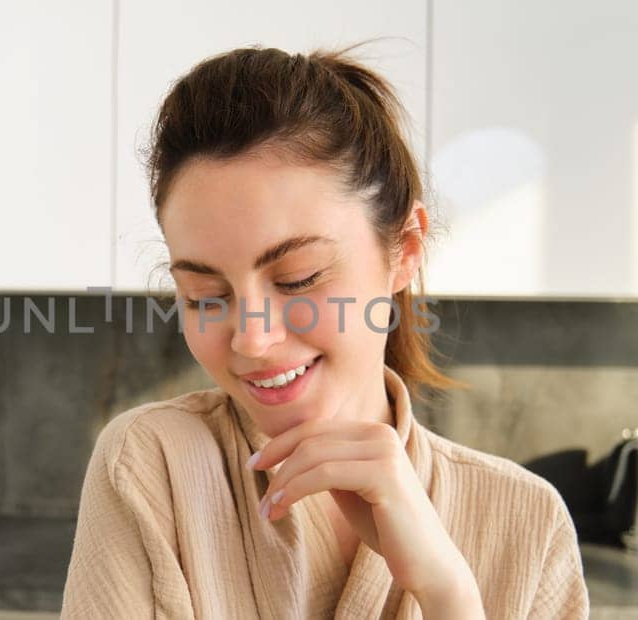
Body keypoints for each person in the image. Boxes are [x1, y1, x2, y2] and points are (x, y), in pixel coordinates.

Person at [62, 43, 588, 619]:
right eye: (206, 297)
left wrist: (448, 595)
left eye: (297, 279)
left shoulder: (527, 522)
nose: (252, 340)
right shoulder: (153, 466)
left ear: (405, 250)